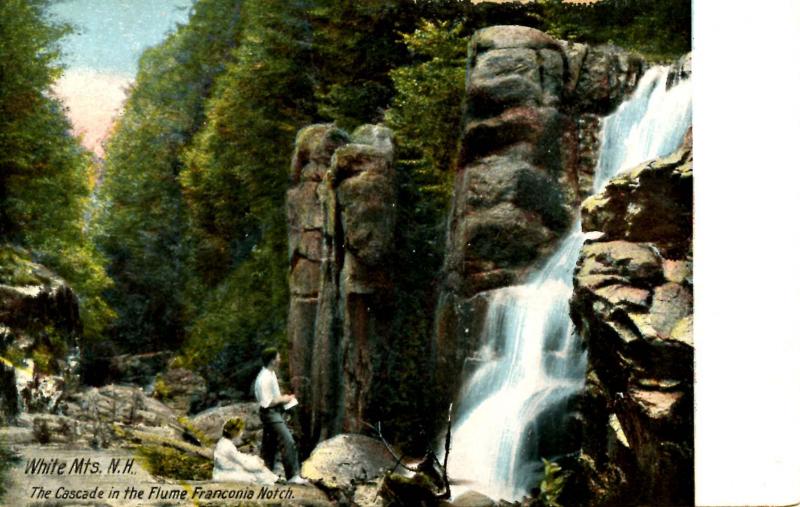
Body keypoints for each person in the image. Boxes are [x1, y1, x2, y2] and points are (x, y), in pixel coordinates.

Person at [254, 347, 308, 485]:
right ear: (272, 360)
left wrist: (284, 399)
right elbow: (267, 402)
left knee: (269, 445)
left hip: (273, 412)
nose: (280, 359)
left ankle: (265, 475)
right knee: (288, 441)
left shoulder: (270, 373)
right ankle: (292, 475)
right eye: (278, 357)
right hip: (270, 413)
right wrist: (285, 399)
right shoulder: (264, 378)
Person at [212, 418, 278, 485]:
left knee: (259, 470)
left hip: (225, 472)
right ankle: (276, 481)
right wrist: (258, 463)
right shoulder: (227, 446)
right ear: (235, 432)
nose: (241, 433)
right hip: (225, 475)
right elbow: (243, 462)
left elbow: (238, 457)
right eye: (241, 431)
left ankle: (276, 479)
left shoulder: (224, 442)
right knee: (257, 475)